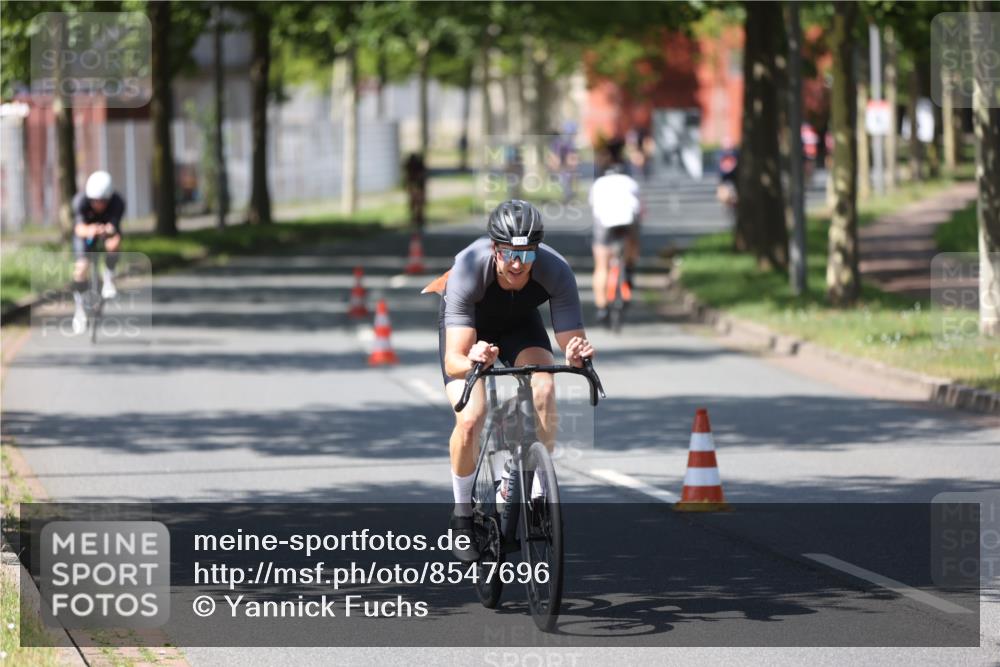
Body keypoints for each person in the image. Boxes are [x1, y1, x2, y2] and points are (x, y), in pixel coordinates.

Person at [435, 200, 594, 561]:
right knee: (472, 417)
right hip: (469, 332)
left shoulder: (557, 270)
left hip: (520, 325)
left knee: (545, 385)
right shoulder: (469, 269)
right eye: (508, 253)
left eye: (526, 254)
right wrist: (474, 358)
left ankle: (534, 485)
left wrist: (575, 353)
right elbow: (454, 359)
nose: (517, 263)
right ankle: (461, 515)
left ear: (536, 251)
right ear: (495, 249)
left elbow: (572, 340)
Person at [589, 145, 642, 326]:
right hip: (628, 221)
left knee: (601, 265)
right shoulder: (630, 182)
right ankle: (630, 266)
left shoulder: (598, 184)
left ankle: (602, 307)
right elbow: (640, 208)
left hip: (604, 223)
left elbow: (594, 209)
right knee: (633, 242)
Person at [71, 171, 125, 334]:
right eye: (94, 200)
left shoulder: (118, 202)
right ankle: (80, 309)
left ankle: (109, 276)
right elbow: (78, 229)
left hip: (106, 230)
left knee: (114, 243)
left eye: (102, 201)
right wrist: (92, 229)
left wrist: (107, 229)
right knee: (81, 268)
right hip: (86, 234)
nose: (97, 204)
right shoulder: (80, 201)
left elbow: (115, 226)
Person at [403, 153, 427, 232]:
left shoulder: (418, 167)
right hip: (414, 184)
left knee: (419, 202)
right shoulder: (410, 167)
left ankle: (419, 217)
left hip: (419, 184)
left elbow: (421, 177)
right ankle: (416, 217)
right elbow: (408, 177)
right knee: (414, 201)